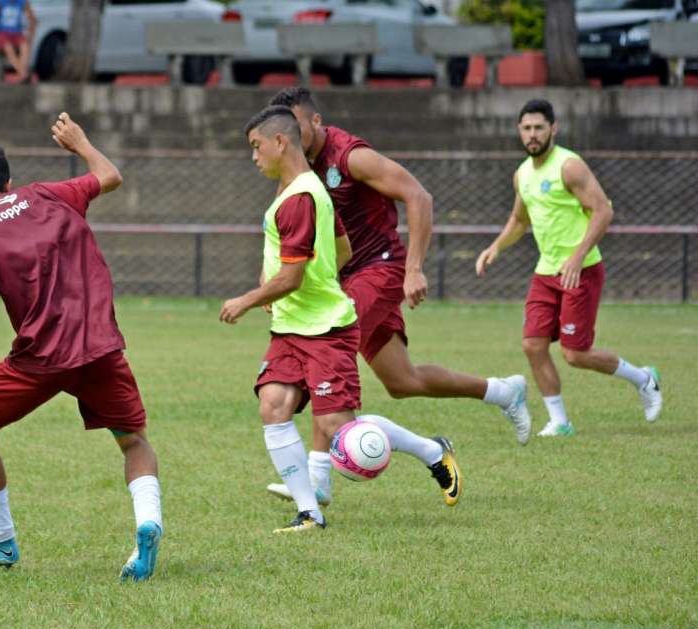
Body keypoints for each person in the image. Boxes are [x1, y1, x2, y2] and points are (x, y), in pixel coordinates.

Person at [261, 87, 527, 507]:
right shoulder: (294, 168)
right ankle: (501, 391)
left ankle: (319, 479)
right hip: (342, 281)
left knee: (324, 351)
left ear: (314, 122)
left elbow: (419, 196)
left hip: (379, 269)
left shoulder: (349, 155)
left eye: (298, 126)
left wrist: (414, 268)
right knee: (403, 381)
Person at [219, 106, 462, 534]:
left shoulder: (299, 198)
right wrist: (304, 280)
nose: (253, 156)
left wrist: (249, 298)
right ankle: (310, 512)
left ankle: (431, 451)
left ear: (280, 142)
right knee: (273, 404)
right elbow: (343, 248)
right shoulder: (305, 189)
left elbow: (292, 274)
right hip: (293, 325)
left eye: (256, 147)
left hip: (325, 330)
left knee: (337, 427)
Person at [0, 114, 163, 580]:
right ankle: (148, 522)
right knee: (133, 441)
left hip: (39, 359)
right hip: (100, 348)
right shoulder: (47, 193)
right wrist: (81, 142)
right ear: (8, 181)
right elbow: (111, 176)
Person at [475, 98, 662, 436]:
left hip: (582, 270)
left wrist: (577, 255)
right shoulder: (522, 174)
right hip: (546, 273)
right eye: (527, 128)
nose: (532, 134)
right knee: (532, 344)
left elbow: (603, 210)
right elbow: (519, 220)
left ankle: (644, 379)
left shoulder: (569, 166)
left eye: (539, 128)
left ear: (553, 129)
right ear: (519, 131)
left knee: (576, 355)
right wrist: (495, 247)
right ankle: (559, 421)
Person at [0, 0, 36, 83]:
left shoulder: (23, 2)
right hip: (1, 33)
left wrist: (30, 35)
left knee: (25, 47)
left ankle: (21, 75)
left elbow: (32, 19)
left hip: (17, 33)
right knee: (9, 49)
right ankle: (23, 74)